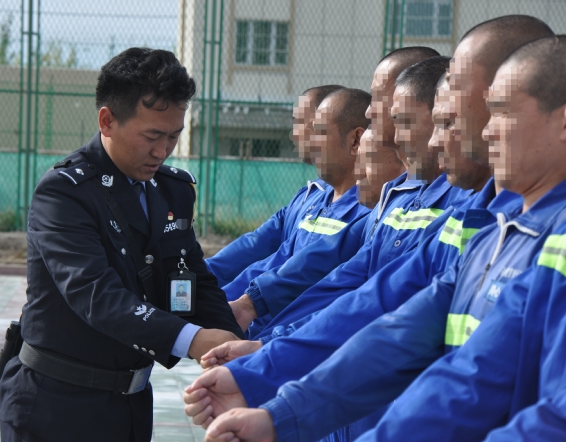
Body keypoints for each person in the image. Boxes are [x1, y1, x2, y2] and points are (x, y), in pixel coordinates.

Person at [193, 15, 557, 442]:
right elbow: (390, 319)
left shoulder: (519, 230)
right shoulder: (490, 226)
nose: (441, 139)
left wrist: (270, 381)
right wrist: (269, 388)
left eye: (499, 110)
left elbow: (494, 392)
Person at [0, 48, 244, 442]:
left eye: (174, 136)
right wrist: (194, 340)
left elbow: (194, 277)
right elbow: (96, 294)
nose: (162, 151)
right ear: (107, 121)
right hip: (56, 407)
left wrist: (234, 351)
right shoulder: (65, 193)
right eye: (152, 136)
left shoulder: (172, 190)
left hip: (130, 406)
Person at [355, 34, 566, 442]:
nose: (488, 132)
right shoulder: (495, 231)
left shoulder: (532, 233)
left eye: (500, 112)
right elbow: (468, 373)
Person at [227, 48, 457, 340]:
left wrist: (270, 346)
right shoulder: (391, 198)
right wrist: (252, 314)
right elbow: (323, 272)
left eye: (318, 130)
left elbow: (377, 304)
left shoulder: (457, 205)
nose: (371, 111)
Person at [223, 88, 373, 332]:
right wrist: (215, 298)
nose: (309, 140)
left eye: (320, 131)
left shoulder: (370, 212)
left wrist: (261, 330)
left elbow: (320, 287)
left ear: (356, 140)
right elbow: (272, 260)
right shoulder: (312, 198)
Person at [205, 85, 343, 288]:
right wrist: (201, 275)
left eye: (300, 122)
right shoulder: (309, 195)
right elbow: (256, 244)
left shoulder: (360, 206)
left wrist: (236, 300)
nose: (294, 134)